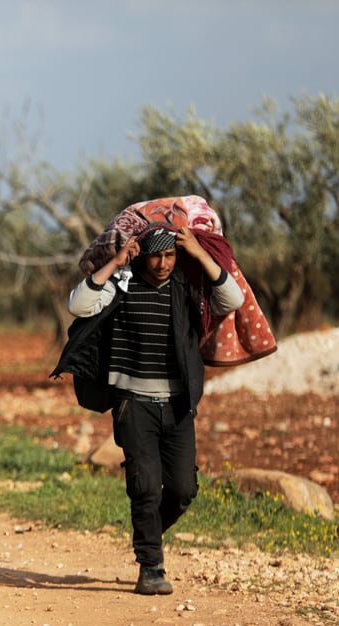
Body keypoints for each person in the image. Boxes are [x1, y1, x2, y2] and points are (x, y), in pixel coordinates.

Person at [52, 223, 244, 595]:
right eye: (156, 255)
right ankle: (151, 567)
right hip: (133, 403)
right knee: (144, 487)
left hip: (178, 406)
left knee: (183, 488)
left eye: (170, 255)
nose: (162, 263)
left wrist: (200, 254)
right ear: (142, 256)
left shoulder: (188, 291)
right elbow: (77, 304)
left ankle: (147, 532)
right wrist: (118, 261)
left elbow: (232, 300)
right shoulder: (121, 288)